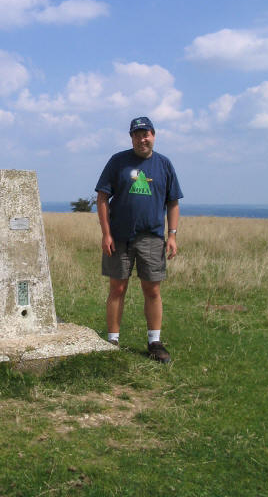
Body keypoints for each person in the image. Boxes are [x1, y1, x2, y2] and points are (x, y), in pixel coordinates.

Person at [95, 116, 183, 363]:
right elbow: (102, 198)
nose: (142, 139)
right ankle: (112, 340)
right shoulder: (118, 162)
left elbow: (173, 202)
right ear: (131, 137)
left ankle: (154, 342)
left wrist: (172, 235)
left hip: (152, 237)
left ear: (153, 135)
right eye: (137, 134)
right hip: (119, 237)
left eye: (146, 134)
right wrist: (106, 233)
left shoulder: (164, 165)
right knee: (117, 288)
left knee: (152, 289)